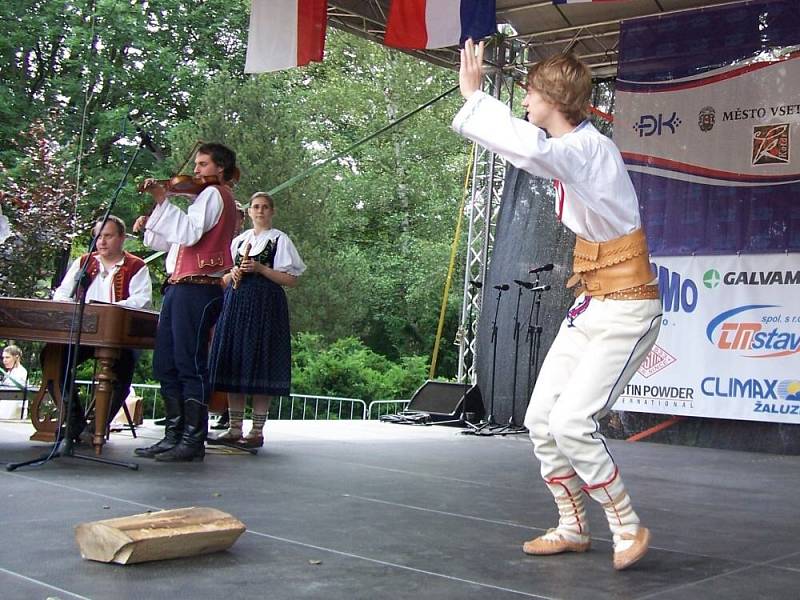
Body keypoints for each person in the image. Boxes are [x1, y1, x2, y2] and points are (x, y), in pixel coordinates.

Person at [453, 40, 663, 571]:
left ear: (551, 95)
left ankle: (626, 524)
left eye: (528, 89)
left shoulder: (589, 150)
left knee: (572, 421)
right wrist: (481, 109)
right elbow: (533, 151)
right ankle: (572, 526)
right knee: (541, 420)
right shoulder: (573, 153)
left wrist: (478, 100)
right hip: (593, 303)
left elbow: (535, 151)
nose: (523, 96)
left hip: (627, 309)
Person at [133, 142, 239, 462]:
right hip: (180, 287)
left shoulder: (213, 195)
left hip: (199, 288)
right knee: (166, 362)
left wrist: (163, 201)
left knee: (189, 362)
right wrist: (153, 218)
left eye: (203, 164)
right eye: (196, 164)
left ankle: (193, 439)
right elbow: (173, 243)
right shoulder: (200, 198)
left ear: (219, 168)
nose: (195, 170)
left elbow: (190, 233)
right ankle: (175, 434)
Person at [208, 192, 305, 448]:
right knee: (235, 361)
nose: (260, 211)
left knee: (261, 363)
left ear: (272, 211)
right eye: (255, 207)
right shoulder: (239, 241)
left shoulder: (279, 240)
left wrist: (261, 269)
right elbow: (223, 279)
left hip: (265, 307)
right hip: (237, 304)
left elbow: (292, 280)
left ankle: (257, 431)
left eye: (264, 207)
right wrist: (234, 273)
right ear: (249, 212)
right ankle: (234, 428)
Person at [51, 215, 152, 438]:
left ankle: (96, 426)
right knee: (51, 360)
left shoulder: (136, 266)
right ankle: (73, 418)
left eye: (108, 236)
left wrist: (106, 309)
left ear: (122, 238)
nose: (101, 242)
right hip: (82, 334)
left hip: (120, 337)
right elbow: (61, 294)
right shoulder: (84, 262)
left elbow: (141, 301)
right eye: (98, 236)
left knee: (122, 373)